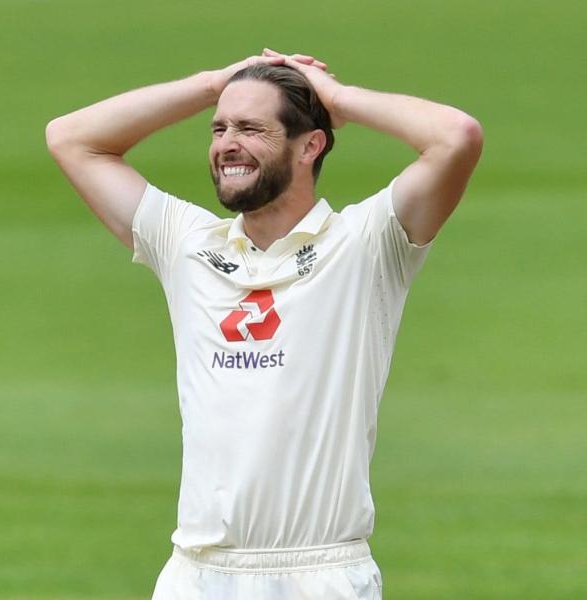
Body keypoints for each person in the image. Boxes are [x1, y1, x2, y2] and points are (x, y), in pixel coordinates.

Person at [46, 49, 482, 600]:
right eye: (219, 128)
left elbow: (457, 136)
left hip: (318, 575)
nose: (227, 143)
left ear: (310, 146)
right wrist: (212, 83)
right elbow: (70, 138)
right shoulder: (188, 243)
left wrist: (337, 99)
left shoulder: (365, 245)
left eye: (251, 128)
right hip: (196, 574)